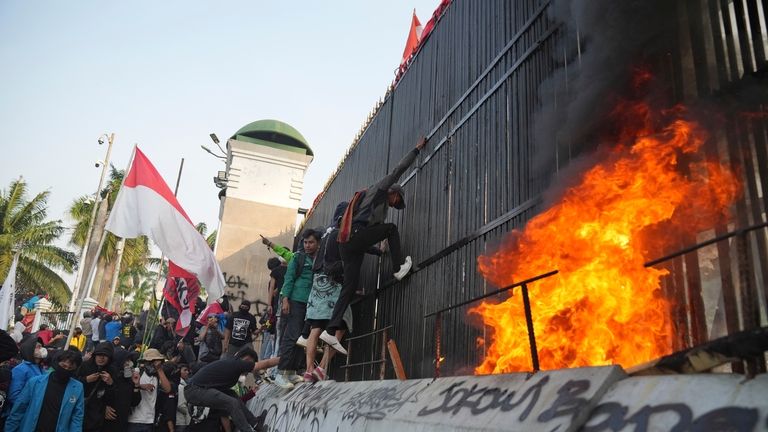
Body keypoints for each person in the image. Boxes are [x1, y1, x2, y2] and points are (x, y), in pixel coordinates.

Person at [321, 136, 427, 354]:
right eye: (398, 200)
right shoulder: (380, 190)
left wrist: (378, 251)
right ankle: (398, 269)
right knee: (391, 229)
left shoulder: (379, 208)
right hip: (356, 235)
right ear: (394, 193)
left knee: (349, 287)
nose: (397, 203)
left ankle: (330, 331)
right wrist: (416, 150)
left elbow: (366, 238)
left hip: (349, 244)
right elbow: (398, 169)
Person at [274, 229, 320, 389]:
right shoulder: (297, 258)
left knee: (302, 338)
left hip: (311, 305)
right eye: (306, 242)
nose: (307, 245)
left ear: (318, 243)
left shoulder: (319, 259)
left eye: (311, 242)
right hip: (295, 302)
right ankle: (280, 373)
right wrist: (285, 299)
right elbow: (289, 278)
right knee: (291, 337)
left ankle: (292, 372)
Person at [184, 348, 263, 432]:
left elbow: (237, 402)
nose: (248, 371)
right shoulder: (232, 367)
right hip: (197, 397)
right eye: (248, 365)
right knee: (232, 402)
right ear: (245, 360)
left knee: (233, 397)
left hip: (204, 404)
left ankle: (255, 423)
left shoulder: (229, 373)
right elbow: (227, 410)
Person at [5, 349, 84, 432]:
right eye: (63, 366)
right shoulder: (35, 382)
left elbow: (77, 417)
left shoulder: (77, 388)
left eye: (70, 368)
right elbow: (19, 409)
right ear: (57, 363)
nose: (66, 370)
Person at [128, 348, 171, 431]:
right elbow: (126, 387)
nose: (156, 364)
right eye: (154, 361)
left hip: (150, 420)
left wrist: (159, 369)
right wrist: (141, 386)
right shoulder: (137, 372)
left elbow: (168, 389)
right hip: (135, 420)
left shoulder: (158, 376)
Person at [77, 342, 115, 432]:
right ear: (94, 355)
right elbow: (71, 383)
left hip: (96, 416)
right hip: (80, 410)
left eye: (105, 356)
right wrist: (85, 379)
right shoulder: (84, 366)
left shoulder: (112, 371)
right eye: (99, 355)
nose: (101, 358)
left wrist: (111, 383)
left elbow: (114, 395)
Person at [103, 348, 141, 430]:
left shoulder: (128, 380)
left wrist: (136, 385)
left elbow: (134, 402)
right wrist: (104, 408)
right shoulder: (107, 376)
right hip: (106, 424)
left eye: (129, 360)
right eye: (126, 360)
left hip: (122, 424)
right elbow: (99, 398)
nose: (129, 363)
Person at [8, 335, 46, 411]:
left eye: (42, 347)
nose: (42, 349)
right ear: (30, 349)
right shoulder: (21, 369)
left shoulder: (42, 369)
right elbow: (14, 396)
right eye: (38, 347)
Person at [176, 364, 191, 432]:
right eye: (185, 370)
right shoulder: (180, 386)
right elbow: (180, 405)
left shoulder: (184, 384)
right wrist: (190, 412)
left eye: (187, 370)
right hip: (181, 420)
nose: (187, 372)